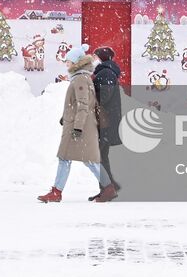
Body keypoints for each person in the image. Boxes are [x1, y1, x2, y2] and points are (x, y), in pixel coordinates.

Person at [38, 44, 118, 204]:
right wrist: (65, 117)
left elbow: (83, 104)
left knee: (67, 158)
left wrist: (77, 128)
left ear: (76, 62)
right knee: (85, 160)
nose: (66, 63)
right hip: (80, 125)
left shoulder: (80, 78)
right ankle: (108, 188)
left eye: (68, 61)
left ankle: (57, 192)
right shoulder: (82, 77)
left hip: (80, 127)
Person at [90, 45, 124, 200]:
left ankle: (107, 188)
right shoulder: (106, 71)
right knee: (102, 154)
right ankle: (109, 186)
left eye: (95, 57)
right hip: (107, 120)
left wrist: (90, 99)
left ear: (102, 58)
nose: (93, 59)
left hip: (105, 122)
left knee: (98, 155)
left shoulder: (106, 72)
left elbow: (105, 97)